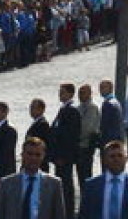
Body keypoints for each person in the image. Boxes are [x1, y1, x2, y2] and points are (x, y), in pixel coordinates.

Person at [76, 141, 128, 219]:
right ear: (104, 159)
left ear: (126, 158)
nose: (116, 159)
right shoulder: (91, 185)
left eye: (120, 155)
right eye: (112, 156)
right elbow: (83, 215)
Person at [0, 138, 63, 219]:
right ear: (22, 154)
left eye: (37, 155)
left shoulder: (54, 184)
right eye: (30, 154)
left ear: (43, 156)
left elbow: (59, 215)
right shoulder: (6, 184)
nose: (33, 158)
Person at [47, 88, 80, 219]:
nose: (60, 94)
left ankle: (68, 213)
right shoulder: (63, 109)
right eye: (59, 92)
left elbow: (70, 136)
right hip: (58, 156)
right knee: (61, 184)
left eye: (63, 92)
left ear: (71, 94)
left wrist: (64, 156)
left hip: (64, 157)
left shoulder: (72, 110)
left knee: (66, 186)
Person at [74, 87, 100, 196]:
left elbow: (88, 128)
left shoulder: (92, 107)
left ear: (90, 94)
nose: (80, 95)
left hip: (86, 145)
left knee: (86, 174)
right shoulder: (78, 108)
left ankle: (89, 198)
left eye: (83, 93)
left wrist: (76, 135)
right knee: (80, 174)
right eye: (79, 93)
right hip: (78, 146)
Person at [96, 83, 123, 160]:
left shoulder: (108, 104)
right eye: (100, 87)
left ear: (111, 88)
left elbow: (104, 125)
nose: (101, 90)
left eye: (103, 87)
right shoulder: (116, 102)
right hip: (116, 139)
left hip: (109, 140)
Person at [23, 103, 50, 173]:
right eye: (30, 108)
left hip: (38, 162)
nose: (31, 111)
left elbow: (43, 144)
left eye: (33, 108)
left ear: (41, 110)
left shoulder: (43, 124)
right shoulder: (35, 123)